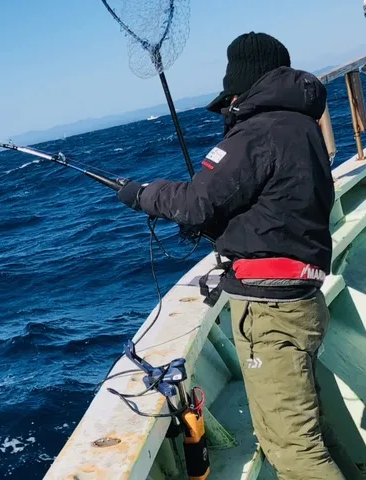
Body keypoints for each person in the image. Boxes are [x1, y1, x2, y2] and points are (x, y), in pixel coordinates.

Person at [117, 32, 362, 479]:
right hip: (298, 299)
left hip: (271, 311)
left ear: (243, 83)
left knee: (295, 452)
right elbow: (273, 205)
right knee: (297, 436)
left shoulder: (256, 133)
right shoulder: (301, 126)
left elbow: (195, 202)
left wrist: (143, 194)